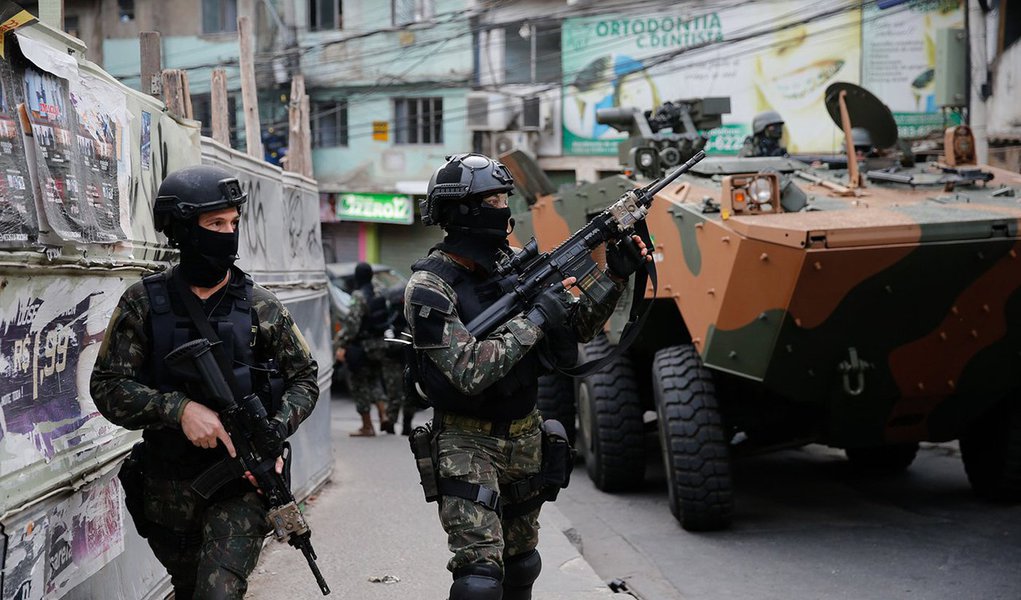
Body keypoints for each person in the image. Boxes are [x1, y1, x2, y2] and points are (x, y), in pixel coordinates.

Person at [406, 153, 651, 599]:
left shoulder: (513, 263)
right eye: (494, 199)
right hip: (465, 442)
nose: (504, 208)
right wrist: (534, 318)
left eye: (504, 197)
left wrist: (613, 276)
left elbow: (577, 327)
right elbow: (467, 371)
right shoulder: (430, 287)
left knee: (522, 565)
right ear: (463, 210)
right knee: (479, 579)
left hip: (525, 435)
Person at [90, 165, 319, 599]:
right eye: (215, 223)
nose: (228, 233)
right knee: (190, 587)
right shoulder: (143, 303)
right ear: (181, 229)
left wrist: (273, 432)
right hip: (167, 486)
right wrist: (178, 410)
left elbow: (305, 378)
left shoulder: (260, 307)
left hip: (239, 487)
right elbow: (107, 387)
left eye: (234, 222)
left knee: (219, 592)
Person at [336, 262, 392, 436]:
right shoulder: (379, 292)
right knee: (375, 380)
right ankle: (383, 415)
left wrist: (341, 343)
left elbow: (352, 324)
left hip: (362, 347)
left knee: (359, 384)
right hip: (379, 345)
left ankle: (367, 427)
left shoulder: (359, 296)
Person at [381, 283, 417, 435]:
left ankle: (396, 423)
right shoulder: (401, 315)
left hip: (400, 359)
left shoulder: (395, 314)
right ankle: (401, 424)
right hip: (402, 358)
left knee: (397, 393)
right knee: (402, 393)